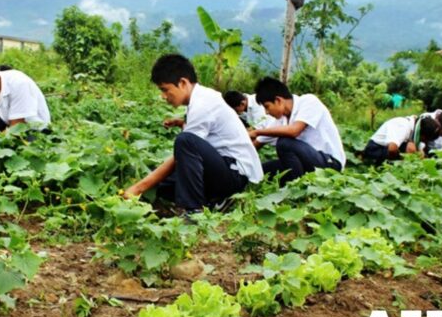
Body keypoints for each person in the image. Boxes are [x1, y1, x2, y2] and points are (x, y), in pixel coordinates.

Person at [124, 54, 262, 215]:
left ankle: (194, 211)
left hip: (235, 174)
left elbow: (185, 148)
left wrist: (139, 187)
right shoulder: (199, 99)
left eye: (165, 89)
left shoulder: (203, 104)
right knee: (162, 183)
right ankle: (215, 200)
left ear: (183, 83)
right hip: (221, 166)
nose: (163, 96)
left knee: (185, 141)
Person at [248, 77, 345, 184]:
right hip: (307, 163)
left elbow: (294, 131)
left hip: (330, 163)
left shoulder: (309, 101)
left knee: (284, 143)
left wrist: (257, 132)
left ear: (278, 100)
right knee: (262, 171)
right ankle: (294, 181)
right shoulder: (281, 120)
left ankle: (296, 186)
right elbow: (258, 142)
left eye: (267, 107)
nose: (266, 112)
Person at [362, 115, 441, 164]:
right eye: (423, 140)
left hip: (384, 150)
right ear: (422, 135)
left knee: (415, 151)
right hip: (374, 150)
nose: (423, 142)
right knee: (410, 148)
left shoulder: (414, 127)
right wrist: (402, 159)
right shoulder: (403, 126)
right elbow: (392, 149)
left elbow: (421, 153)